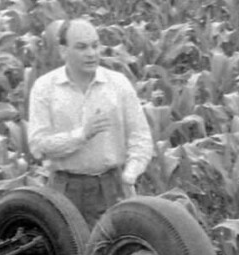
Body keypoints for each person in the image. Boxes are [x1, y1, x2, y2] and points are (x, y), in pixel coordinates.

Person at [27, 18, 153, 226]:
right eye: (82, 47)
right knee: (66, 246)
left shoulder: (118, 84)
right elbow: (38, 146)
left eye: (95, 45)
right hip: (63, 189)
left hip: (112, 187)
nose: (92, 53)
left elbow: (141, 137)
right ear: (63, 51)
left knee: (115, 244)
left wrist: (129, 176)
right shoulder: (45, 88)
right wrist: (82, 135)